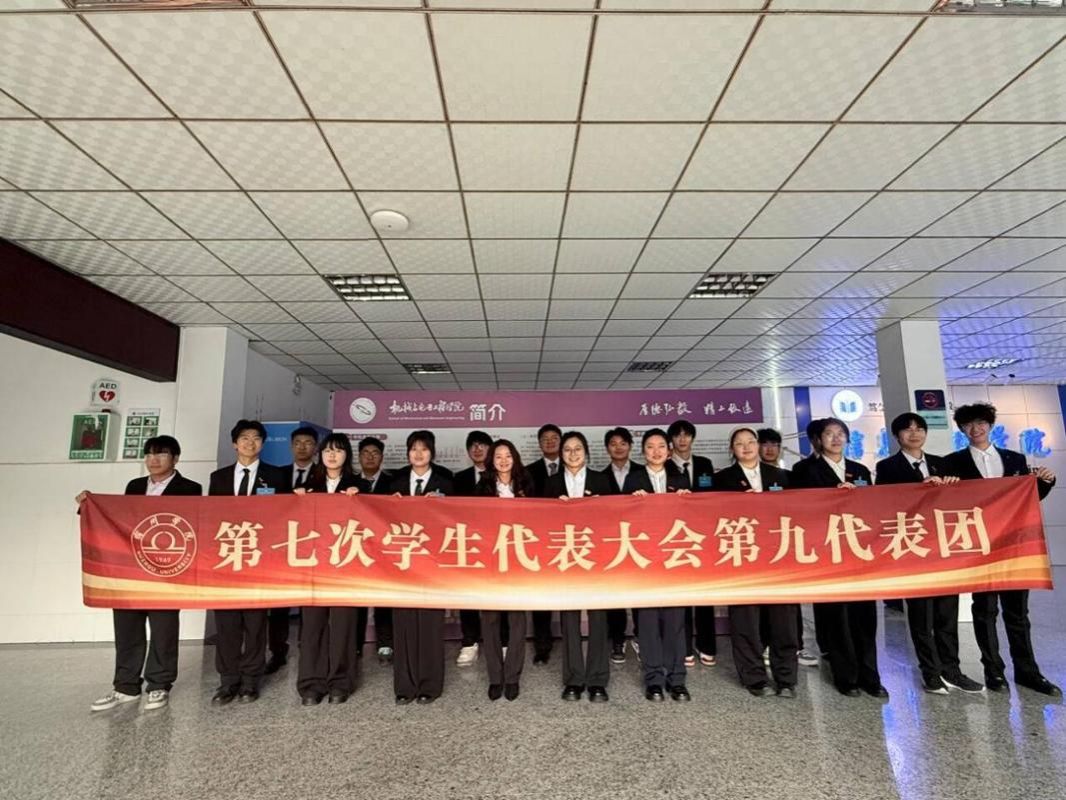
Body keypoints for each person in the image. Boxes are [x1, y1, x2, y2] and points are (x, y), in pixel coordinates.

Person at [944, 402, 1060, 697]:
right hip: (979, 549)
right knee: (984, 611)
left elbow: (1027, 497)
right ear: (962, 430)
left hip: (1014, 547)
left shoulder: (1014, 458)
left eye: (981, 423)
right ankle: (993, 670)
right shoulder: (953, 463)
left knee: (1018, 613)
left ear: (990, 425)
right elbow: (947, 504)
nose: (976, 429)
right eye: (969, 424)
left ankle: (1027, 671)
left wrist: (1046, 482)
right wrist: (947, 486)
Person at [79, 436, 202, 712]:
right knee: (127, 629)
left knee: (163, 631)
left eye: (161, 454)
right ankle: (125, 686)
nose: (153, 460)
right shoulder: (134, 486)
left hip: (167, 571)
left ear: (175, 459)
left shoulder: (190, 488)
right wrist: (89, 503)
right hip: (131, 571)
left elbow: (193, 526)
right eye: (149, 454)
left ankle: (159, 685)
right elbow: (120, 518)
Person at [874, 412, 983, 695]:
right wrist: (919, 489)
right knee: (922, 618)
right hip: (914, 551)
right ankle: (931, 673)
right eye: (907, 429)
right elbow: (884, 504)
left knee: (947, 615)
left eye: (919, 429)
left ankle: (952, 670)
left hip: (944, 550)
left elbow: (961, 501)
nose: (914, 433)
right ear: (896, 436)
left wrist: (951, 485)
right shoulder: (887, 467)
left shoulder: (943, 463)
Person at [791, 418, 885, 700]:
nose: (835, 438)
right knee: (837, 617)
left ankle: (871, 676)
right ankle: (846, 677)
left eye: (840, 433)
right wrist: (832, 497)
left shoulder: (859, 471)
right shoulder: (804, 470)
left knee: (865, 617)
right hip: (827, 552)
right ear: (819, 440)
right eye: (829, 434)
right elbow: (800, 508)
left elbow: (872, 507)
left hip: (859, 552)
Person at [207, 420, 290, 705]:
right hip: (226, 559)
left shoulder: (276, 476)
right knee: (227, 623)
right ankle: (228, 680)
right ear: (234, 443)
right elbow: (210, 518)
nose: (250, 443)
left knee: (255, 623)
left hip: (260, 560)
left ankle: (251, 680)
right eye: (244, 438)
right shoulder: (218, 478)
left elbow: (285, 516)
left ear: (263, 444)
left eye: (256, 438)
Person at [714, 428, 799, 698]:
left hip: (778, 557)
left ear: (758, 445)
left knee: (783, 621)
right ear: (732, 449)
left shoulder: (782, 477)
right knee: (745, 621)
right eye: (739, 443)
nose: (746, 446)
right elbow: (711, 517)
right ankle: (754, 678)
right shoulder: (722, 480)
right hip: (742, 559)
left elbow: (799, 512)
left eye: (751, 441)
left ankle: (786, 678)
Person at [291, 433, 364, 705]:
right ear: (320, 455)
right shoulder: (307, 486)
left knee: (343, 625)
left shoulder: (360, 486)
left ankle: (340, 682)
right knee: (312, 626)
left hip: (346, 568)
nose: (332, 455)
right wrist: (296, 500)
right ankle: (311, 683)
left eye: (338, 450)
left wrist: (359, 500)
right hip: (314, 567)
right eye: (328, 451)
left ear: (347, 455)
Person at [544, 431, 613, 703]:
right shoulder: (551, 483)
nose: (573, 454)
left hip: (597, 558)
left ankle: (598, 680)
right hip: (565, 557)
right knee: (569, 619)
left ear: (586, 452)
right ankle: (573, 679)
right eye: (568, 449)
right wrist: (555, 509)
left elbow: (615, 517)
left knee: (599, 618)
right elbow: (540, 522)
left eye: (578, 449)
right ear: (561, 454)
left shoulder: (601, 480)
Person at [623, 428, 692, 702]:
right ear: (643, 451)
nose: (656, 451)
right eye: (650, 447)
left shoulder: (680, 478)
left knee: (675, 621)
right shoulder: (633, 479)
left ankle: (677, 679)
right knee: (649, 622)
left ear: (669, 450)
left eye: (661, 446)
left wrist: (687, 501)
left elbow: (692, 518)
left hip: (675, 560)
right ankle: (653, 679)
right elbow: (623, 518)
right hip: (646, 562)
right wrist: (634, 502)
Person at [389, 430, 451, 705]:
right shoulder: (394, 481)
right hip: (401, 564)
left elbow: (457, 520)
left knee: (429, 625)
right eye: (413, 449)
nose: (418, 453)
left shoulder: (446, 481)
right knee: (403, 624)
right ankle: (404, 686)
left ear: (432, 453)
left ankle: (430, 685)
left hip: (432, 565)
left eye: (424, 449)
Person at [474, 439, 533, 701]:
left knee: (517, 620)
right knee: (490, 620)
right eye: (498, 456)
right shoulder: (482, 487)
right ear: (491, 461)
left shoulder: (527, 484)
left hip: (519, 560)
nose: (503, 460)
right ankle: (495, 677)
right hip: (490, 561)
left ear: (515, 458)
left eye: (508, 455)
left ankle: (512, 677)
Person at [757, 427, 817, 668]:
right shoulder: (749, 477)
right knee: (764, 600)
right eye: (765, 444)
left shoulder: (790, 477)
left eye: (774, 444)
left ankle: (796, 646)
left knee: (791, 600)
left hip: (786, 545)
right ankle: (766, 645)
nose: (770, 449)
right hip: (758, 547)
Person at [267, 426, 320, 676]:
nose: (302, 447)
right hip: (282, 545)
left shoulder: (324, 475)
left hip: (314, 546)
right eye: (298, 442)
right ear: (291, 446)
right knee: (279, 602)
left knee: (311, 602)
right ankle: (278, 651)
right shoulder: (276, 475)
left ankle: (308, 648)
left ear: (315, 447)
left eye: (308, 443)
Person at [665, 419, 717, 669]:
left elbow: (714, 498)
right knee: (681, 595)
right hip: (676, 536)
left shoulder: (705, 464)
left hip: (704, 536)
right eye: (677, 435)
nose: (682, 439)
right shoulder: (663, 465)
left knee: (705, 593)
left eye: (687, 435)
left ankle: (706, 644)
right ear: (671, 440)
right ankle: (684, 645)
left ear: (693, 438)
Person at [452, 430, 493, 667]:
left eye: (482, 445)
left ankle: (501, 641)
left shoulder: (502, 475)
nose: (477, 449)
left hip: (496, 545)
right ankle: (470, 642)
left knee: (496, 596)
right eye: (473, 446)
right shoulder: (459, 479)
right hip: (467, 544)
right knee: (467, 595)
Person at [600, 426, 638, 663]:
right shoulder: (600, 477)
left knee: (640, 591)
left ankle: (642, 636)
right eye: (613, 444)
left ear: (630, 446)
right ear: (607, 448)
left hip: (640, 541)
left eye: (623, 443)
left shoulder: (643, 472)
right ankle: (618, 639)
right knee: (615, 593)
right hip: (612, 542)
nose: (618, 447)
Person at [356, 436, 394, 663]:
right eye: (366, 453)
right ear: (359, 456)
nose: (370, 457)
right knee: (357, 599)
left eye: (375, 453)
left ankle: (385, 643)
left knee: (383, 597)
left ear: (382, 456)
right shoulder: (349, 483)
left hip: (383, 547)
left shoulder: (392, 483)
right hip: (355, 546)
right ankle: (355, 644)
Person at [526, 424, 562, 664]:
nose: (550, 442)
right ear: (539, 443)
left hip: (569, 539)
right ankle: (542, 646)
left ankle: (572, 643)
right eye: (545, 438)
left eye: (554, 438)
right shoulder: (529, 472)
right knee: (541, 595)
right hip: (539, 540)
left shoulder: (573, 467)